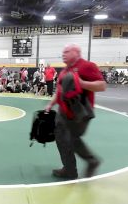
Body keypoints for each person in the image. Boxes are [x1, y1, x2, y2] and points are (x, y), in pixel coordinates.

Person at [45, 44, 106, 179]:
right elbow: (59, 90)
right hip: (63, 111)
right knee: (61, 139)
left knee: (71, 139)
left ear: (76, 53)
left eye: (67, 51)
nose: (63, 54)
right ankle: (69, 169)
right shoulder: (65, 70)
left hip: (79, 112)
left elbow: (102, 86)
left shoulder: (87, 66)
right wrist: (50, 104)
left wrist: (82, 83)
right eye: (63, 52)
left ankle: (88, 162)